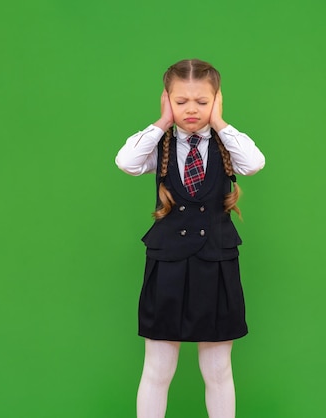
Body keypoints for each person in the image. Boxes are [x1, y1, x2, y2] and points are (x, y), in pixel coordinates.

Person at [115, 58, 265, 418]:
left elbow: (255, 163)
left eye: (202, 101)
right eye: (181, 102)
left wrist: (221, 123)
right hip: (167, 264)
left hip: (216, 262)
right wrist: (162, 122)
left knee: (217, 370)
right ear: (167, 100)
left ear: (217, 100)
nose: (192, 110)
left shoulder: (226, 143)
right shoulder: (159, 144)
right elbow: (126, 162)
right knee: (158, 368)